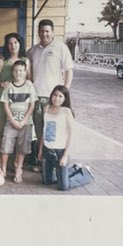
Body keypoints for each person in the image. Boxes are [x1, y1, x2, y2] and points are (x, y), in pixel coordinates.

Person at [28, 18, 74, 160]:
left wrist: (64, 92)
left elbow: (68, 70)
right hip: (36, 97)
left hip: (53, 98)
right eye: (41, 31)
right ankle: (42, 161)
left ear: (53, 32)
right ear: (38, 32)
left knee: (54, 132)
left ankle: (57, 160)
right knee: (39, 130)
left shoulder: (61, 48)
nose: (44, 34)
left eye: (47, 31)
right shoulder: (32, 50)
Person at [0, 60, 37, 184]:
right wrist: (12, 120)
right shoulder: (9, 86)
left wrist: (24, 120)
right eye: (15, 70)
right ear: (12, 72)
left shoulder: (29, 86)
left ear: (25, 72)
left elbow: (32, 105)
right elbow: (5, 105)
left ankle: (18, 169)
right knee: (6, 145)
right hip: (11, 122)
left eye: (21, 70)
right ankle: (3, 169)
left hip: (26, 123)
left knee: (22, 147)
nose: (18, 73)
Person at [0, 31, 30, 138]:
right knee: (0, 129)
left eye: (15, 42)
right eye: (10, 43)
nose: (13, 46)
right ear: (7, 46)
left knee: (18, 129)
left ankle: (14, 155)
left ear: (20, 44)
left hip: (19, 99)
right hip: (3, 96)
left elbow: (29, 80)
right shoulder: (2, 61)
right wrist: (2, 83)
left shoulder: (25, 61)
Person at [38, 85, 75, 185]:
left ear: (65, 98)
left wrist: (65, 156)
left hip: (60, 151)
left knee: (63, 186)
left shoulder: (66, 112)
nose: (57, 98)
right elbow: (44, 131)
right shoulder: (46, 108)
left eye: (60, 96)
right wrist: (41, 149)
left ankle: (80, 172)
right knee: (47, 181)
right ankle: (63, 174)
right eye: (55, 95)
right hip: (47, 150)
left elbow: (71, 135)